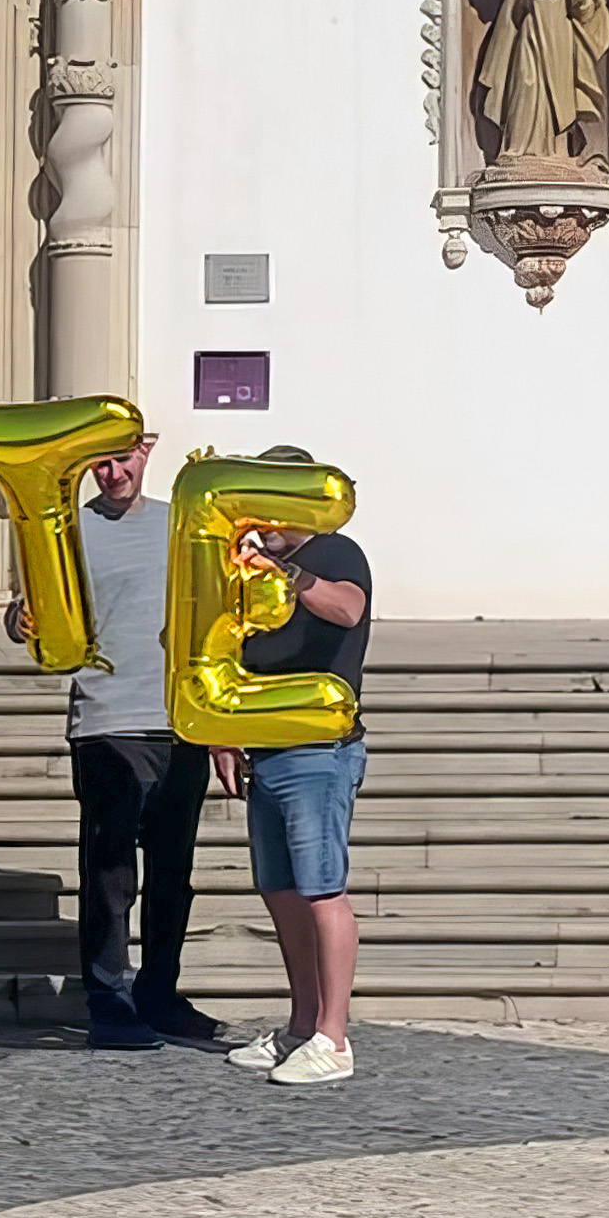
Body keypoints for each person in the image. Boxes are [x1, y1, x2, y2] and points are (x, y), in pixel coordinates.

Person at [9, 428, 221, 1049]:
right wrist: (20, 620)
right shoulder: (67, 532)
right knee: (108, 873)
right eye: (99, 463)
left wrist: (225, 731)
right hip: (105, 721)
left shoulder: (183, 524)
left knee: (172, 872)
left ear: (146, 452)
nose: (111, 473)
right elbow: (29, 610)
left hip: (181, 722)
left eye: (122, 459)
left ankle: (158, 993)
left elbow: (211, 613)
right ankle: (107, 1000)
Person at [217, 447, 375, 1088]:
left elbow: (348, 609)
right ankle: (302, 1025)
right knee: (281, 893)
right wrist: (221, 736)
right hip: (267, 749)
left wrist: (291, 573)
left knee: (322, 891)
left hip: (319, 751)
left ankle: (334, 1039)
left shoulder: (335, 552)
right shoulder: (252, 566)